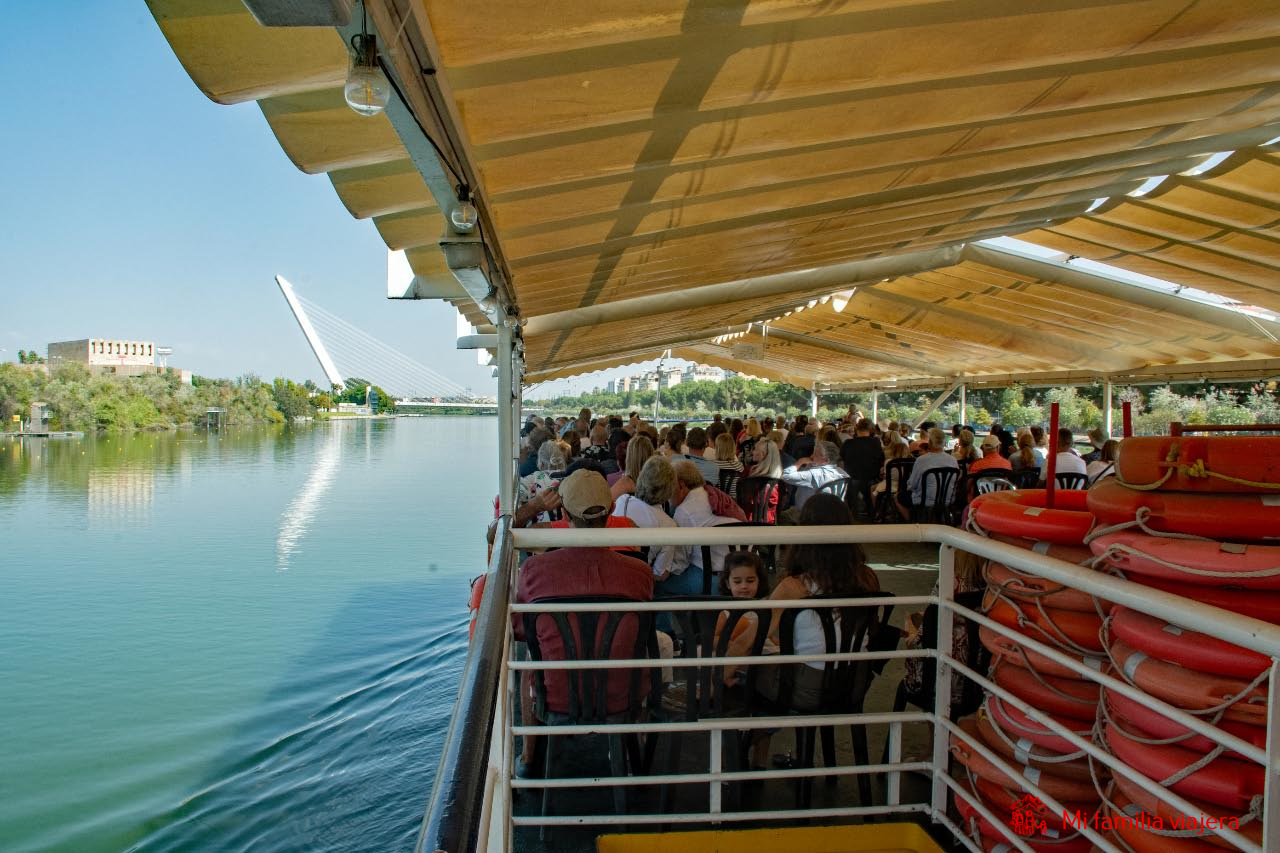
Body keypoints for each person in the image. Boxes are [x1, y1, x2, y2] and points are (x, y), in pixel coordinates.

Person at [513, 469, 654, 777]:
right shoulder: (639, 572)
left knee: (528, 663)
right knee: (655, 644)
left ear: (564, 513)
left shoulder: (535, 571)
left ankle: (528, 756)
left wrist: (533, 508)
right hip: (621, 694)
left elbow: (521, 631)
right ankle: (637, 752)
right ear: (612, 509)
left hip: (557, 695)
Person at [612, 456, 685, 585]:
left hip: (609, 575)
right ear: (669, 489)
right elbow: (660, 574)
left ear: (642, 477)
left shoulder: (622, 501)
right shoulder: (669, 525)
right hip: (637, 584)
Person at [671, 461, 739, 595]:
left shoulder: (684, 511)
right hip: (743, 575)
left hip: (712, 581)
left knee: (655, 585)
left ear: (680, 484)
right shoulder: (719, 497)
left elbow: (679, 565)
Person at [897, 428, 959, 520]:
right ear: (944, 442)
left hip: (924, 501)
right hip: (947, 500)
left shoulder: (921, 460)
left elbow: (912, 485)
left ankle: (912, 523)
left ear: (929, 442)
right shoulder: (953, 460)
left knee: (898, 497)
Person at [780, 440, 848, 516]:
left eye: (815, 454)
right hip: (833, 513)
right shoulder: (841, 472)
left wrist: (800, 462)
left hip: (808, 514)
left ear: (825, 460)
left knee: (781, 517)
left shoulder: (814, 474)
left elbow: (785, 475)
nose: (811, 456)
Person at [840, 418, 884, 519]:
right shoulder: (876, 443)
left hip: (853, 477)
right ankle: (873, 514)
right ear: (871, 429)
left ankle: (852, 515)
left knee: (852, 491)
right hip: (872, 477)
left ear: (856, 429)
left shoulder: (848, 443)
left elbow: (842, 458)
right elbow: (880, 459)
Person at [518, 440, 567, 523]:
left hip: (536, 532)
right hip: (568, 530)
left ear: (541, 464)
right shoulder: (570, 478)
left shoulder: (533, 478)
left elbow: (518, 493)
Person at [712, 432, 745, 498]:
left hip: (716, 501)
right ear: (733, 448)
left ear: (717, 449)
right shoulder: (739, 466)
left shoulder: (711, 465)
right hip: (733, 502)